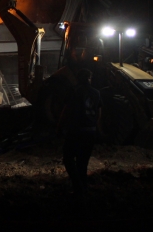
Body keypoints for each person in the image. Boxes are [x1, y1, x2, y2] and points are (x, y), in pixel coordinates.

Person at [58, 69, 102, 205]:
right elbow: (99, 113)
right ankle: (83, 191)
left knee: (68, 159)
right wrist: (98, 130)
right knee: (83, 163)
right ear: (89, 78)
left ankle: (79, 188)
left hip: (76, 131)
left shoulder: (74, 91)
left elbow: (66, 110)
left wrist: (59, 127)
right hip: (90, 132)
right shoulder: (97, 93)